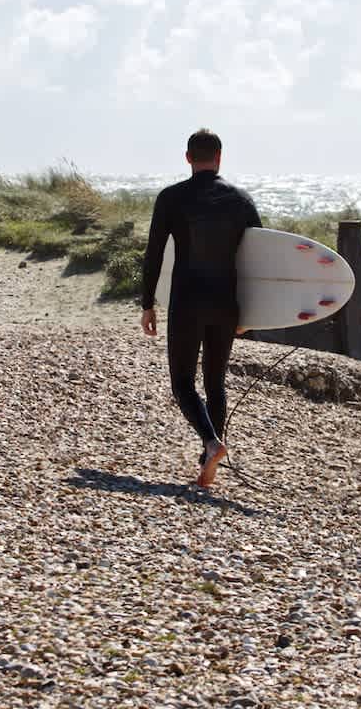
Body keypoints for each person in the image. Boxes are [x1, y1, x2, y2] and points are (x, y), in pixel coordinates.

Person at [140, 128, 262, 488]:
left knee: (182, 383)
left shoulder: (171, 198)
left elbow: (155, 254)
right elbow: (259, 261)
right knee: (215, 383)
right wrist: (251, 314)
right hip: (226, 303)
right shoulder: (241, 200)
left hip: (188, 301)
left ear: (188, 158)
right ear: (220, 157)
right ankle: (208, 462)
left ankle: (211, 443)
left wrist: (147, 303)